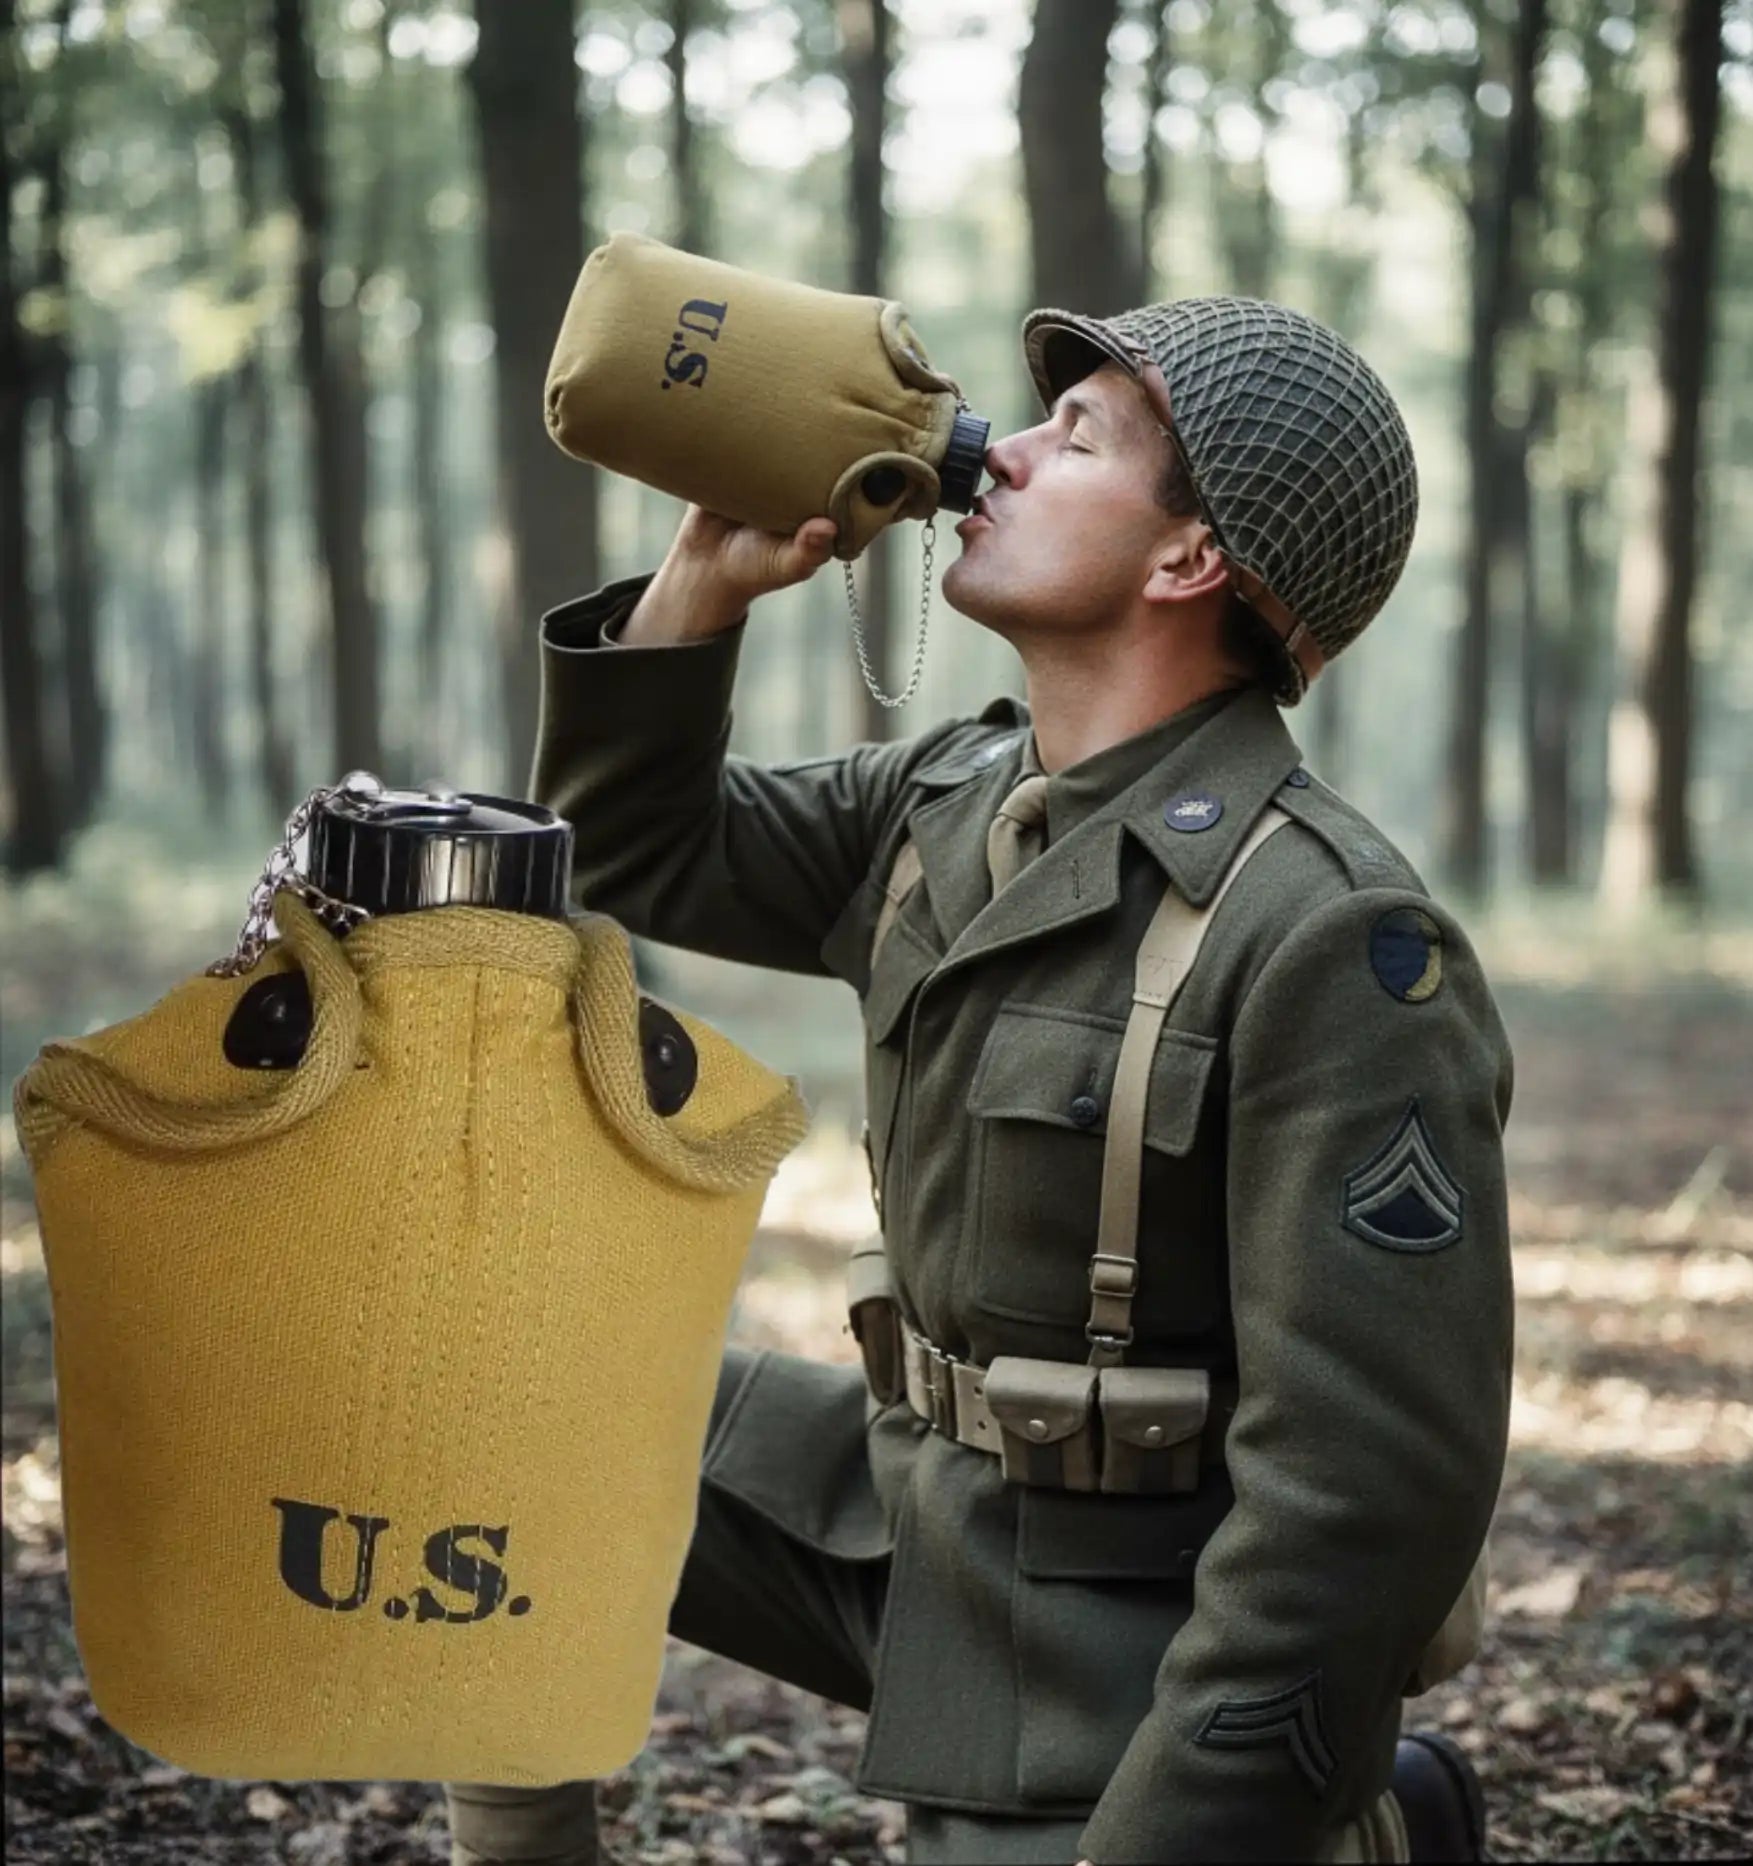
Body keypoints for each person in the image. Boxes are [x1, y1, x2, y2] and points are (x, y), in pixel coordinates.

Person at [443, 298, 1510, 1865]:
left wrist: (1175, 1828)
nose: (991, 454)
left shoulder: (1333, 940)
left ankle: (1359, 1829)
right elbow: (631, 850)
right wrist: (704, 580)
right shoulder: (947, 798)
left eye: (1072, 438)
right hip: (916, 1517)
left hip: (1125, 1644)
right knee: (487, 1410)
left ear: (1186, 559)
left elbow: (1364, 1503)